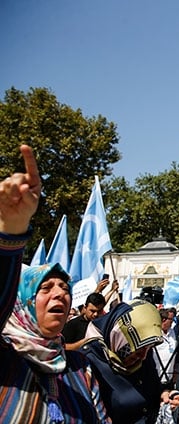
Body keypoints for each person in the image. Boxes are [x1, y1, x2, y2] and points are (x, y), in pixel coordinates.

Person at [0, 144, 110, 422]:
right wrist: (11, 231)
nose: (60, 294)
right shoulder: (5, 357)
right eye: (45, 288)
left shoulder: (79, 368)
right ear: (21, 304)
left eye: (65, 288)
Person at [81, 299, 168, 423]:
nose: (143, 357)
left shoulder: (145, 358)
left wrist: (165, 394)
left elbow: (153, 389)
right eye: (137, 351)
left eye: (147, 349)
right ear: (120, 340)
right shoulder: (88, 362)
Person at [154, 308, 179, 390]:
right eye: (171, 319)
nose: (172, 322)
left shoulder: (172, 332)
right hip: (156, 378)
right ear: (164, 319)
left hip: (169, 379)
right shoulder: (155, 332)